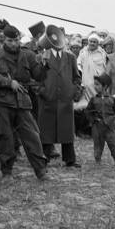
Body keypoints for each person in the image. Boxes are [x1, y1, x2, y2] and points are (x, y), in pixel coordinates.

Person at [0, 24, 49, 179]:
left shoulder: (28, 55)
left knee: (33, 137)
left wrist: (44, 64)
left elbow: (38, 76)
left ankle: (41, 171)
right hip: (2, 103)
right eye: (10, 40)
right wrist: (8, 82)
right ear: (4, 39)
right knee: (6, 139)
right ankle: (7, 172)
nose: (14, 43)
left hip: (22, 103)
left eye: (16, 40)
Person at [36, 34, 82, 167]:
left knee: (66, 130)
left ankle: (70, 159)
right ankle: (44, 157)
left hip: (65, 100)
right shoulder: (42, 57)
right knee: (45, 129)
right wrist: (42, 91)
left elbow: (77, 77)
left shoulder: (70, 57)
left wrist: (73, 91)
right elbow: (36, 77)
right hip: (47, 99)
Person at [85, 74, 115, 166]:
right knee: (97, 146)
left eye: (97, 84)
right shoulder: (93, 100)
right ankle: (98, 162)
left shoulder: (112, 99)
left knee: (113, 145)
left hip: (110, 127)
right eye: (95, 84)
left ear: (105, 86)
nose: (95, 87)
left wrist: (113, 119)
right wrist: (93, 120)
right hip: (97, 127)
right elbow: (87, 111)